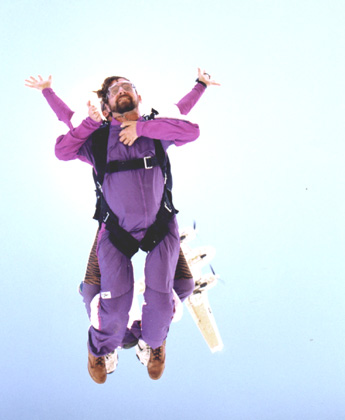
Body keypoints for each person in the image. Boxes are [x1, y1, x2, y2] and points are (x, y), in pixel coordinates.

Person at [25, 70, 219, 383]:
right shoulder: (99, 137)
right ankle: (100, 349)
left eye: (128, 87)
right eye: (115, 90)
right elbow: (63, 145)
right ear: (106, 103)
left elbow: (188, 126)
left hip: (159, 225)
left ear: (139, 97)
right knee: (113, 311)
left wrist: (146, 124)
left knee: (159, 308)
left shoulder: (155, 127)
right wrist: (55, 95)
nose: (122, 91)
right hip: (117, 230)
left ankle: (153, 343)